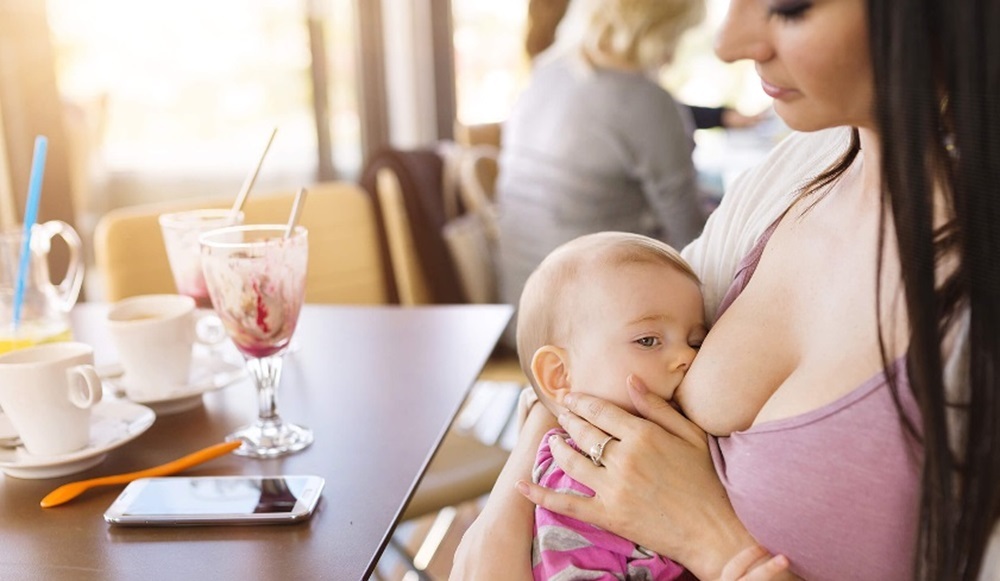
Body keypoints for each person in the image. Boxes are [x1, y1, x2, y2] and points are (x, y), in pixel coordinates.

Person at [453, 0, 1000, 579]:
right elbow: (593, 345)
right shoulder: (797, 168)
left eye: (789, 8)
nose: (729, 42)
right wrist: (504, 517)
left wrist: (712, 541)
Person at [496, 0, 710, 347]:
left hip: (522, 314)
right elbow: (694, 240)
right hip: (586, 333)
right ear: (655, 31)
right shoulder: (647, 101)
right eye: (677, 34)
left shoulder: (545, 73)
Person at [517, 231, 705, 580]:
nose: (686, 357)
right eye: (648, 340)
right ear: (559, 375)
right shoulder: (574, 480)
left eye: (695, 341)